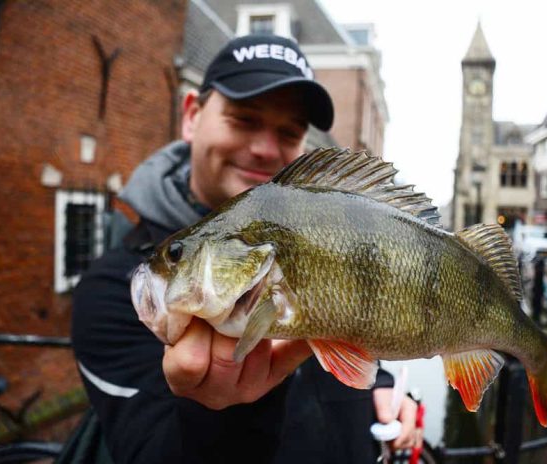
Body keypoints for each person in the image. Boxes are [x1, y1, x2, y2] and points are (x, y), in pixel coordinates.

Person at [71, 34, 418, 464]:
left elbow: (343, 327)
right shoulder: (110, 290)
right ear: (192, 115)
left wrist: (383, 386)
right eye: (244, 119)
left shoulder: (319, 236)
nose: (265, 149)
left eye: (289, 132)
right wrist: (224, 413)